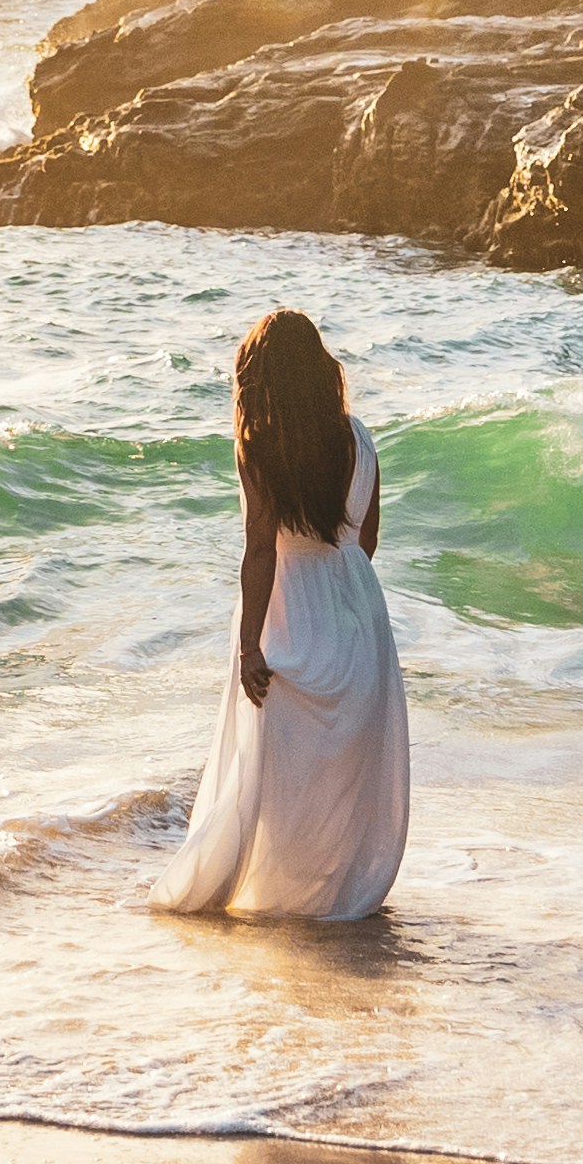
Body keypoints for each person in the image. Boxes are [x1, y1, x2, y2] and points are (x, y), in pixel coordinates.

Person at [158, 301, 408, 927]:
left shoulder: (260, 447)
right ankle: (335, 898)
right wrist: (343, 596)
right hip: (361, 618)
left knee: (277, 772)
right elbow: (367, 539)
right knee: (342, 775)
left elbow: (260, 551)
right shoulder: (360, 438)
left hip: (290, 614)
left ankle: (278, 897)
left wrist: (249, 647)